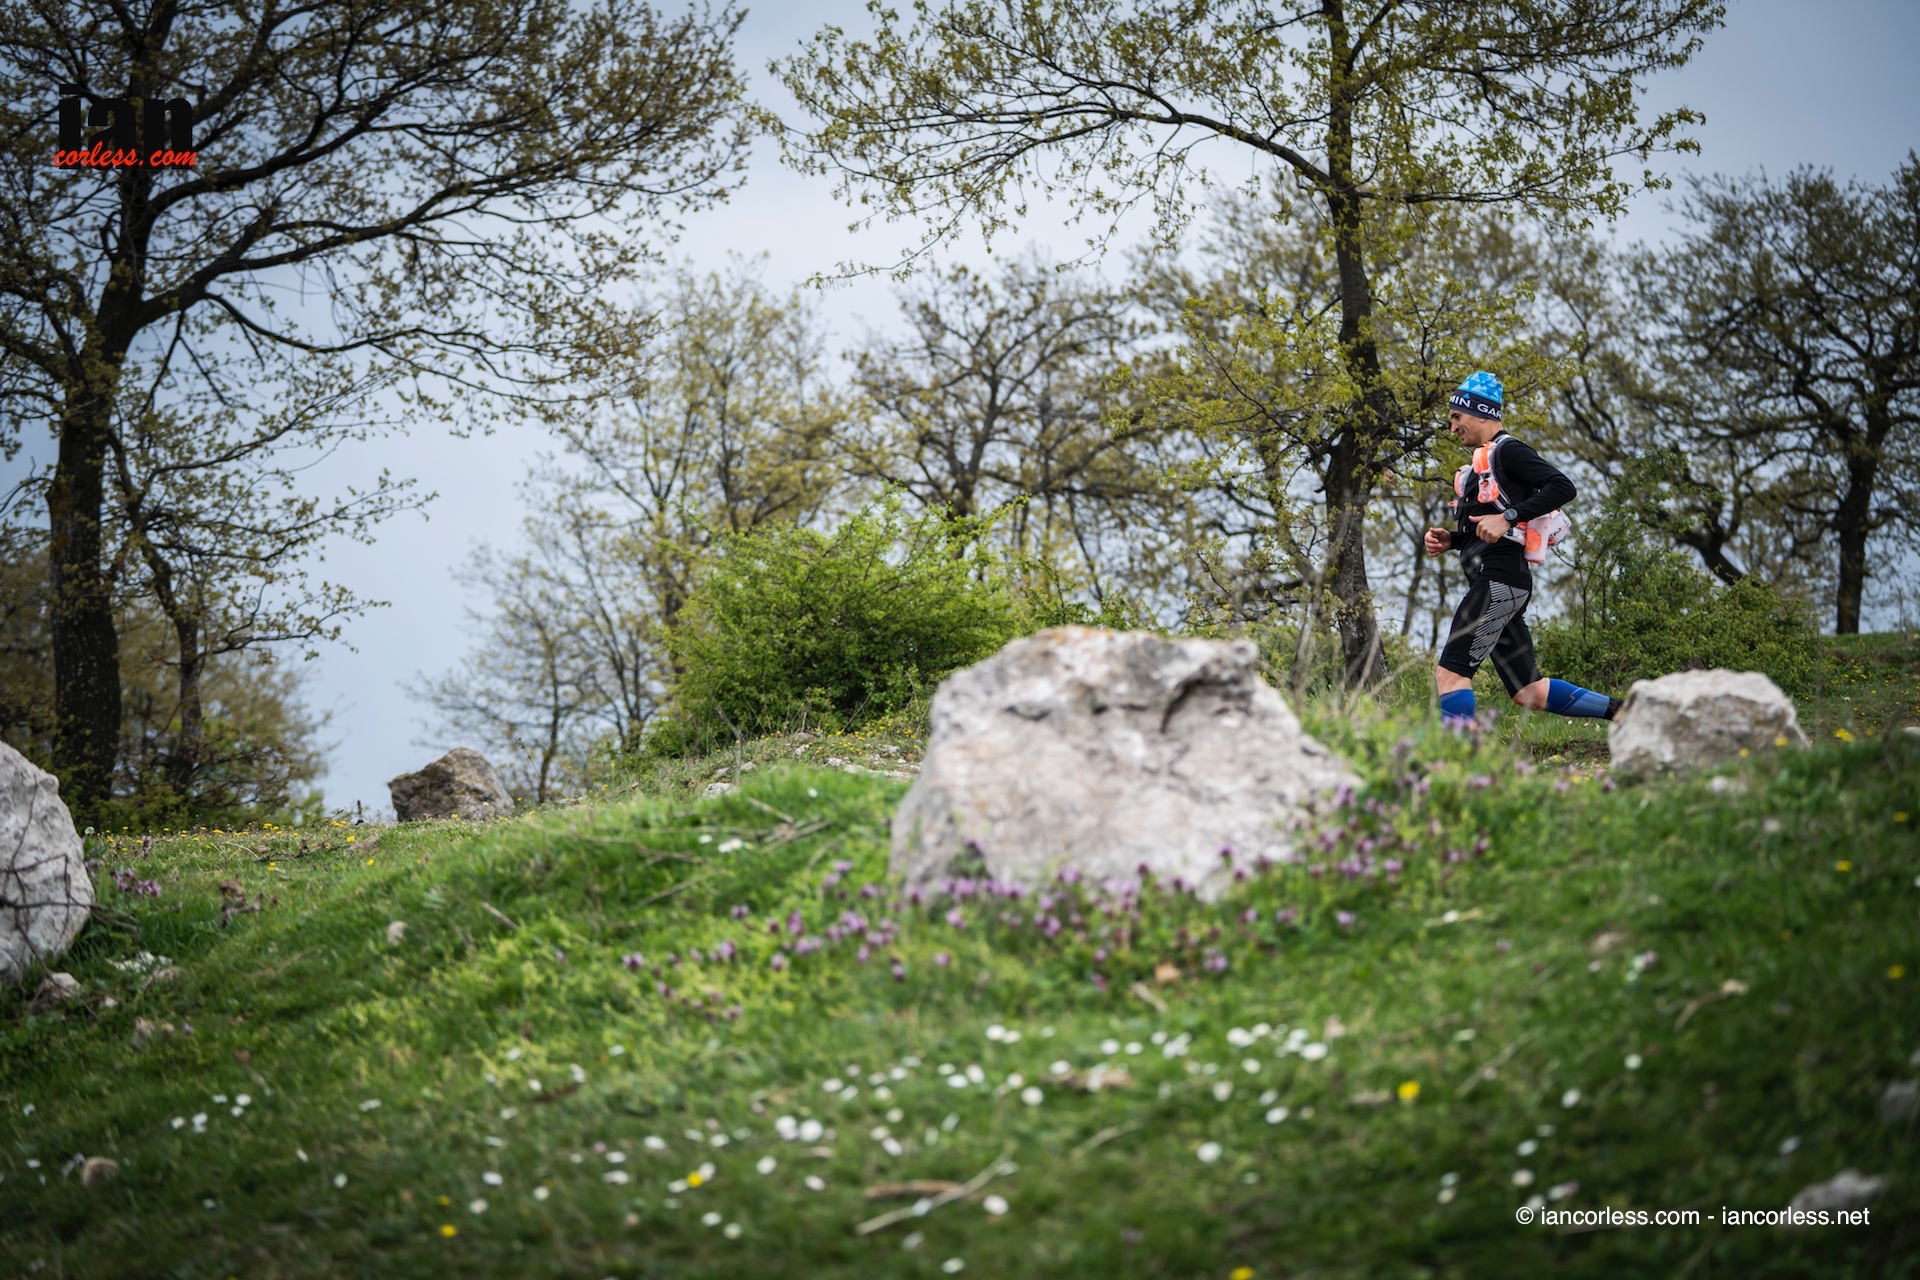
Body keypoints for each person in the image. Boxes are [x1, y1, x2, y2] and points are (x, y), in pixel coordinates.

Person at [1422, 370, 1621, 727]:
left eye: (1457, 417)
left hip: (1499, 581)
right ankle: (1624, 712)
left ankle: (1454, 758)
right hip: (1503, 583)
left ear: (1481, 413)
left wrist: (1508, 517)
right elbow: (1491, 531)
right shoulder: (1480, 467)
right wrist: (1453, 540)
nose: (1452, 428)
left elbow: (1562, 486)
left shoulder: (1508, 450)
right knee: (1529, 691)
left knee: (1451, 673)